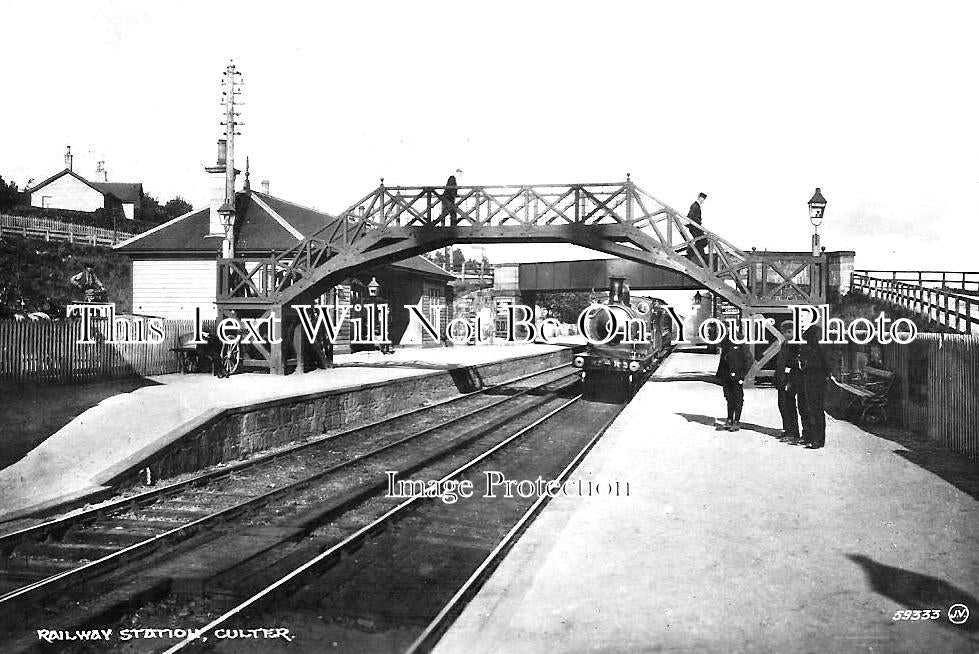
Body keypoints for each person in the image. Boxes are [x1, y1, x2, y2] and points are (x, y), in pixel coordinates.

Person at [774, 320, 808, 442]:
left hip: (790, 380)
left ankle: (794, 433)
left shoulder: (796, 344)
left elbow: (794, 364)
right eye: (784, 332)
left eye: (788, 332)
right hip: (783, 378)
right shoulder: (786, 343)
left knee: (790, 406)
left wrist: (789, 381)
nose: (786, 335)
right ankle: (788, 430)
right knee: (783, 405)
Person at [716, 329, 754, 431]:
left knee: (737, 398)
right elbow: (723, 357)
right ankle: (729, 419)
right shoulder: (725, 339)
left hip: (737, 375)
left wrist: (742, 374)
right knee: (729, 397)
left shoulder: (740, 339)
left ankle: (736, 421)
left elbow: (749, 359)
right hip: (726, 374)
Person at [799, 324, 831, 448]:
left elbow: (824, 358)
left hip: (815, 376)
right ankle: (813, 438)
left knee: (815, 409)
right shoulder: (814, 338)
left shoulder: (813, 337)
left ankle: (817, 439)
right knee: (811, 408)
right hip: (812, 376)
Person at [685, 192, 707, 262]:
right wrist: (693, 224)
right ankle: (692, 252)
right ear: (699, 197)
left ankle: (692, 252)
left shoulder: (696, 205)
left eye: (704, 199)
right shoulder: (695, 205)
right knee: (702, 241)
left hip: (696, 227)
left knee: (701, 242)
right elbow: (690, 216)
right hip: (695, 228)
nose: (703, 200)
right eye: (702, 198)